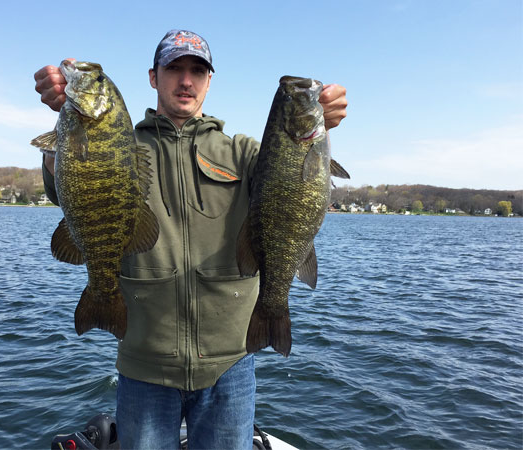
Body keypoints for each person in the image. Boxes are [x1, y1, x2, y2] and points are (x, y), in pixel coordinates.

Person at [34, 29, 347, 450]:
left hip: (230, 363)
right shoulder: (122, 140)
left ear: (209, 81)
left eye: (197, 70)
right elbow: (64, 191)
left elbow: (294, 185)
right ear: (153, 76)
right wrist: (63, 125)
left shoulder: (243, 152)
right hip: (144, 362)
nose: (186, 80)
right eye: (174, 68)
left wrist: (324, 122)